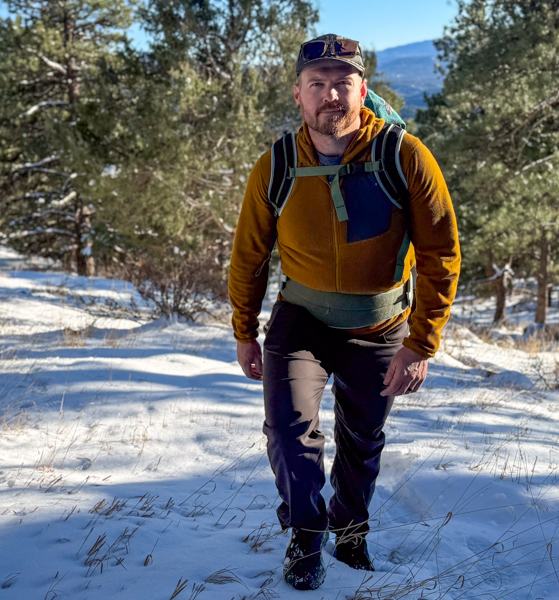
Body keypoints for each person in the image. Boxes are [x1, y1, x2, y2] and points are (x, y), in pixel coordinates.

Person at [228, 34, 460, 590]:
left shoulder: (404, 156)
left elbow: (441, 255)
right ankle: (306, 537)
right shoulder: (277, 164)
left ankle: (351, 534)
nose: (330, 96)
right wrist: (244, 330)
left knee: (362, 439)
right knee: (288, 432)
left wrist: (420, 343)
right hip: (300, 320)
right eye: (317, 85)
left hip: (379, 326)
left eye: (342, 83)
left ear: (361, 89)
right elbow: (249, 256)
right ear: (298, 94)